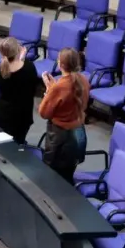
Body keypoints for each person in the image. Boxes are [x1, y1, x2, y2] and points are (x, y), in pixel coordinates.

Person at [38, 48, 90, 180]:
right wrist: (52, 89)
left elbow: (44, 113)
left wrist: (49, 92)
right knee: (68, 174)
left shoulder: (59, 87)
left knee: (54, 177)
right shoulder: (83, 80)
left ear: (60, 64)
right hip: (78, 134)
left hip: (60, 138)